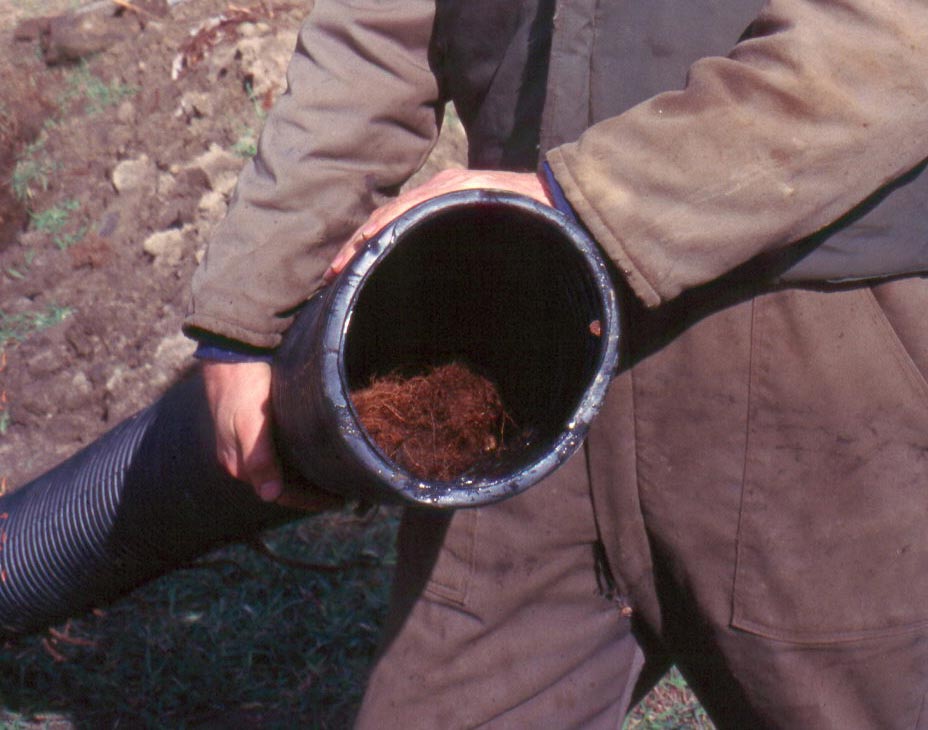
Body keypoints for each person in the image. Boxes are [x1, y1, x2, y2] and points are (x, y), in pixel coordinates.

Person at [183, 0, 928, 727]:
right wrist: (251, 311)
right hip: (513, 344)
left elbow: (897, 35)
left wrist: (586, 198)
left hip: (816, 368)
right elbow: (377, 28)